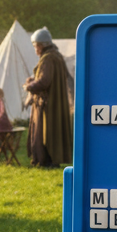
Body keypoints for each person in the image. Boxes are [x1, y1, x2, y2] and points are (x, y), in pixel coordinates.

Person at [24, 26, 73, 167]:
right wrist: (33, 80)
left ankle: (45, 161)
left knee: (44, 132)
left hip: (47, 103)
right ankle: (50, 160)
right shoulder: (57, 56)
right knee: (51, 131)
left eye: (36, 46)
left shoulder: (48, 58)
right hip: (55, 101)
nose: (35, 49)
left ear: (41, 45)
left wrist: (30, 86)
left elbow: (45, 81)